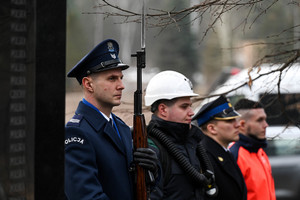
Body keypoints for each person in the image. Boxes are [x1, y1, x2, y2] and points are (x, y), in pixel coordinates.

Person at [65, 39, 158, 200]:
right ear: (88, 84)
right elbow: (86, 196)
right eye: (112, 79)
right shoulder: (77, 133)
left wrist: (153, 172)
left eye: (121, 78)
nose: (121, 85)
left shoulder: (121, 127)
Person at [144, 70, 216, 200]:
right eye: (184, 107)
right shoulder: (151, 148)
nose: (191, 112)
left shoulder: (191, 142)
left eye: (190, 106)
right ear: (163, 109)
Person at [192, 95, 247, 200]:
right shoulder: (204, 157)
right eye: (230, 121)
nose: (237, 125)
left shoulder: (223, 152)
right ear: (212, 128)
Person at [229, 98, 276, 200]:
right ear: (242, 125)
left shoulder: (260, 151)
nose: (266, 125)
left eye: (265, 119)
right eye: (259, 120)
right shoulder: (234, 155)